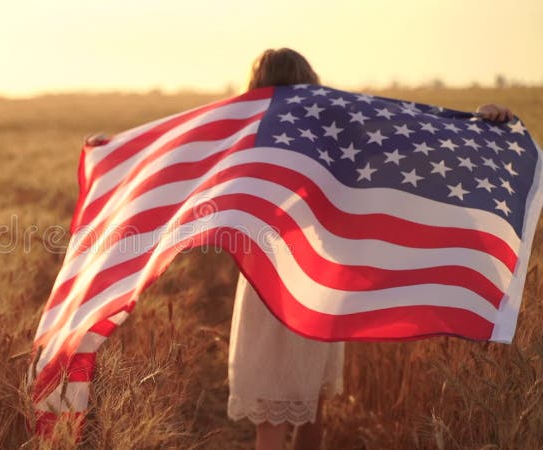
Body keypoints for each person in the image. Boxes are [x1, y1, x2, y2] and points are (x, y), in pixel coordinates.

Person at [85, 47, 514, 450]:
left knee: (276, 414)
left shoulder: (246, 126)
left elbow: (178, 152)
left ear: (256, 85)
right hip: (321, 277)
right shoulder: (331, 120)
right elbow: (402, 141)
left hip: (270, 282)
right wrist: (480, 126)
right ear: (313, 80)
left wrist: (115, 153)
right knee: (309, 407)